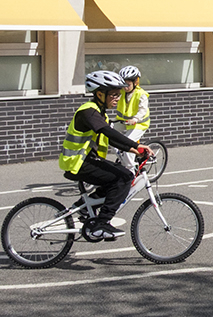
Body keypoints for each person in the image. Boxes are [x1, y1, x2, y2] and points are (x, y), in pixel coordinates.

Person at [60, 71, 152, 240]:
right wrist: (135, 145)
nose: (118, 98)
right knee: (124, 177)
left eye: (119, 94)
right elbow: (108, 132)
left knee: (115, 178)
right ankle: (101, 224)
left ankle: (83, 207)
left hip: (86, 160)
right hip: (77, 162)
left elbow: (111, 139)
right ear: (100, 94)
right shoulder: (88, 112)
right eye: (114, 94)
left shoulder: (99, 113)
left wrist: (134, 150)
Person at [114, 65, 151, 170]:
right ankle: (122, 159)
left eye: (128, 84)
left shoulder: (141, 94)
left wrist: (135, 119)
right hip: (123, 122)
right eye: (124, 84)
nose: (125, 87)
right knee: (107, 134)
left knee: (127, 144)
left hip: (139, 124)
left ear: (135, 82)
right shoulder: (121, 92)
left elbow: (142, 110)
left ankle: (130, 170)